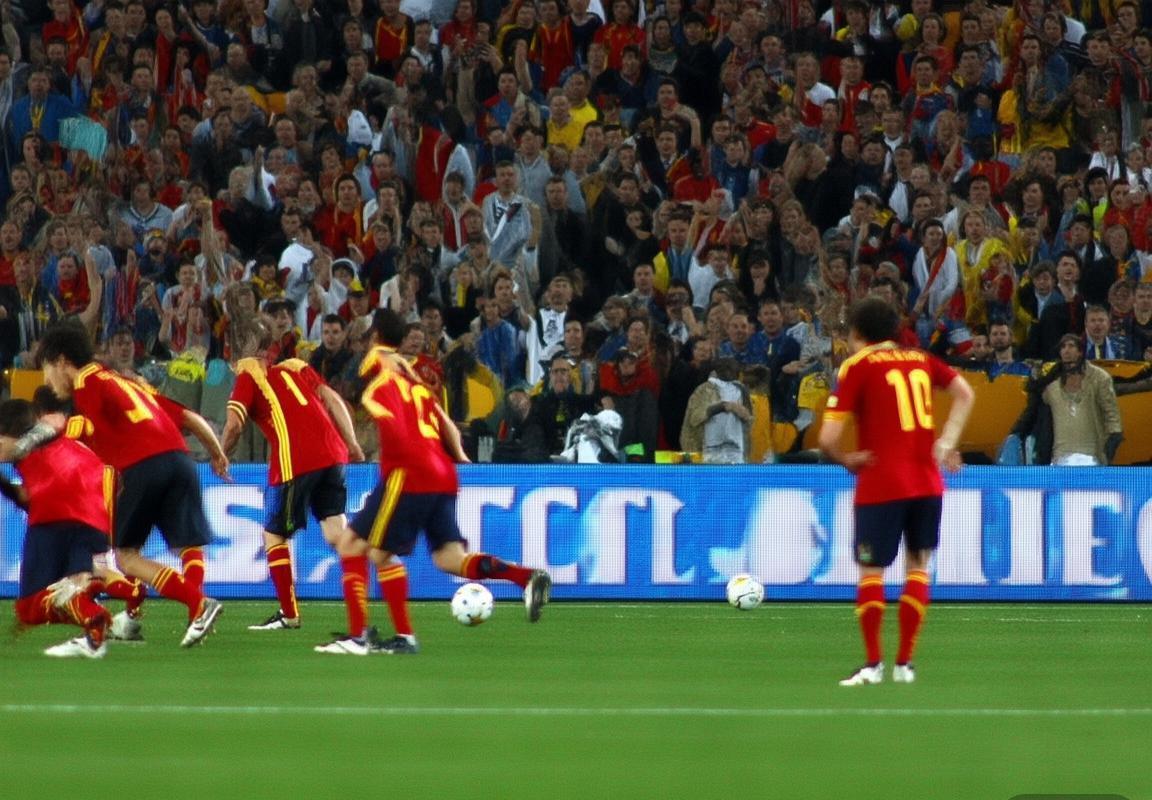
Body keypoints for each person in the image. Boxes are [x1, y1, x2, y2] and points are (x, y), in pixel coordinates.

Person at [317, 310, 553, 655]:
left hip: (409, 473)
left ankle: (359, 638)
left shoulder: (381, 380)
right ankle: (525, 577)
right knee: (449, 558)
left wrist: (376, 448)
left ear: (374, 337)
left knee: (354, 546)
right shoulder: (414, 379)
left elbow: (396, 425)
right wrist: (460, 456)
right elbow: (446, 423)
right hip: (442, 472)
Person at [38, 323, 228, 648]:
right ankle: (146, 616)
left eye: (46, 370)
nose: (47, 381)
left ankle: (198, 603)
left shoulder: (87, 384)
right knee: (186, 545)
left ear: (62, 362)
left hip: (143, 465)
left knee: (125, 557)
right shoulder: (130, 384)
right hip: (181, 461)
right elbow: (191, 418)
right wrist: (218, 454)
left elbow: (86, 439)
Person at [818, 297, 974, 686]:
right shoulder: (921, 359)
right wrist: (945, 442)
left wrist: (846, 459)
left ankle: (873, 664)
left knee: (871, 571)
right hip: (927, 483)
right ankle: (905, 664)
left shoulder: (858, 365)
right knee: (918, 567)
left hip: (881, 483)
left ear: (857, 333)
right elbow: (965, 393)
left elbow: (827, 439)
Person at [220, 322, 366, 631]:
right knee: (337, 533)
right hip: (333, 454)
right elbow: (333, 399)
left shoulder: (249, 374)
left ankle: (289, 614)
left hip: (295, 462)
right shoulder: (296, 367)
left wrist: (219, 454)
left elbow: (234, 425)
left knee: (274, 536)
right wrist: (352, 442)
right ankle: (366, 605)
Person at [0, 399, 113, 659]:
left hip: (56, 515)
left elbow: (28, 497)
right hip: (95, 514)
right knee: (77, 584)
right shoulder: (58, 441)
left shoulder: (28, 445)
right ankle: (96, 616)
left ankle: (94, 614)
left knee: (30, 608)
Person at [1010, 334, 1123, 467]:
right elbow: (1034, 406)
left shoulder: (1099, 378)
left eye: (1071, 346)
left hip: (1092, 454)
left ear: (1080, 351)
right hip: (1060, 456)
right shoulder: (1052, 386)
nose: (1066, 350)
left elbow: (1110, 411)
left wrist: (1115, 433)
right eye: (1063, 347)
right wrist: (1016, 431)